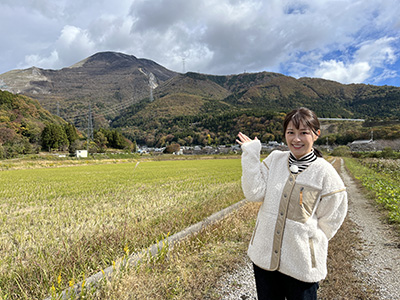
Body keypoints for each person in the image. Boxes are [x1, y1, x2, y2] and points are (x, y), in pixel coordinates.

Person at [236, 107, 348, 300]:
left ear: (316, 134)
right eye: (291, 133)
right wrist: (251, 155)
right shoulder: (275, 160)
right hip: (264, 259)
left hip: (301, 265)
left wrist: (310, 242)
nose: (296, 139)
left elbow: (332, 218)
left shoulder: (325, 173)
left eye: (303, 133)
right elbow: (254, 193)